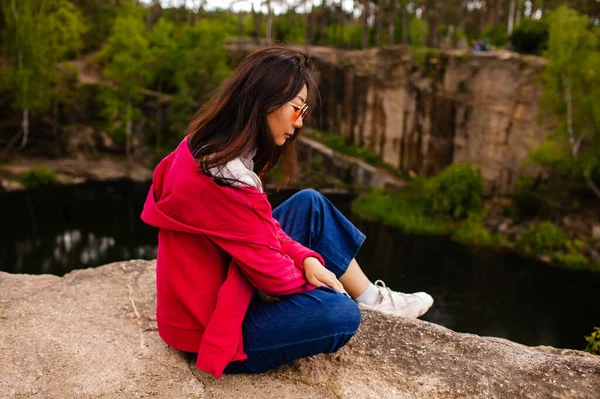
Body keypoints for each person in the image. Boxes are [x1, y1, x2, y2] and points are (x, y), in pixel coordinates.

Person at [141, 46, 434, 378]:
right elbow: (274, 279)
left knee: (310, 204)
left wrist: (308, 259)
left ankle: (372, 298)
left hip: (213, 289)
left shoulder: (202, 145)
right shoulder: (224, 178)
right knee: (340, 314)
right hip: (208, 327)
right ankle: (356, 299)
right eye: (296, 109)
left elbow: (262, 229)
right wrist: (319, 281)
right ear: (265, 100)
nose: (300, 122)